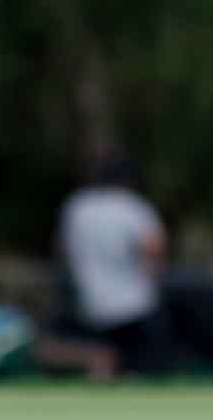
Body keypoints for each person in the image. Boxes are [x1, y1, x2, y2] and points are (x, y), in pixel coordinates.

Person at [56, 156, 171, 376]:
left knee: (103, 364)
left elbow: (63, 249)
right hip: (135, 304)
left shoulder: (77, 207)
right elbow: (155, 249)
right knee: (143, 366)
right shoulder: (133, 207)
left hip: (90, 301)